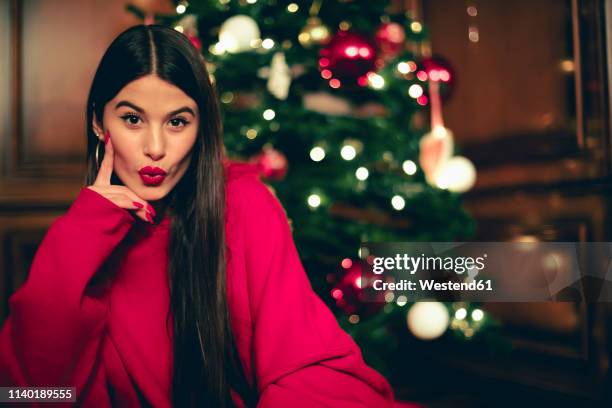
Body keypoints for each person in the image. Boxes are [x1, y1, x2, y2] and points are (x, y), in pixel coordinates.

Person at [0, 24, 400, 407]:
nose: (155, 147)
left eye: (177, 122)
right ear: (98, 122)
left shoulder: (244, 204)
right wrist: (86, 229)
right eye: (132, 119)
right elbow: (27, 393)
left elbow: (307, 366)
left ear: (200, 127)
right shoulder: (81, 236)